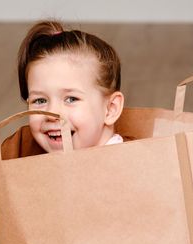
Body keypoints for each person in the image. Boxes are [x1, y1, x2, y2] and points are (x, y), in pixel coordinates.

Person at [17, 20, 125, 153]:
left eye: (71, 99)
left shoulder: (124, 168)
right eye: (40, 100)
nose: (52, 113)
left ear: (110, 109)